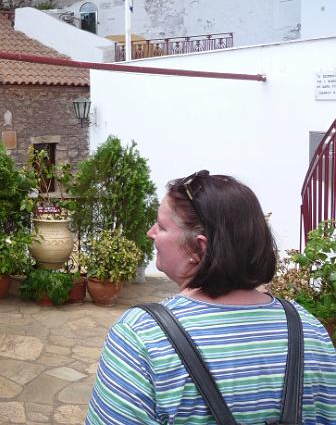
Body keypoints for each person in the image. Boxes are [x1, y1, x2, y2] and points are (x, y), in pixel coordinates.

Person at [86, 171, 336, 424]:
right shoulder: (308, 330)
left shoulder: (141, 337)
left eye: (161, 226)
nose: (151, 233)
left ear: (198, 248)